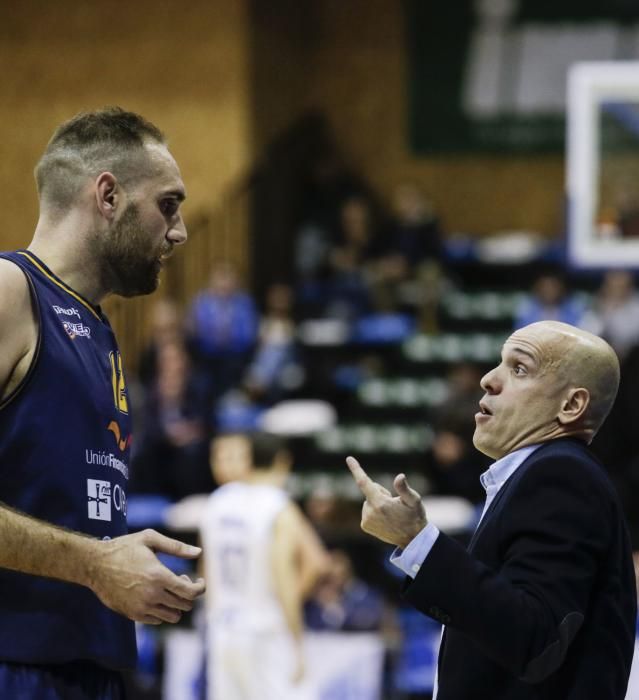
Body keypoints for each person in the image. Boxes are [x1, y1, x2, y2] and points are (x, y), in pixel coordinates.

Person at [0, 108, 205, 698]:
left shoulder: (99, 331)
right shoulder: (13, 292)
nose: (180, 231)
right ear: (108, 195)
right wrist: (94, 564)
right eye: (168, 204)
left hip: (89, 671)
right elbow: (89, 557)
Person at [346, 320, 637, 699]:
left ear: (571, 405)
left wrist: (416, 541)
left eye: (519, 368)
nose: (487, 379)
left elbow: (534, 637)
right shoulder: (543, 474)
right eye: (499, 363)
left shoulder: (561, 475)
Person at [200, 432, 328, 700]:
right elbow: (302, 570)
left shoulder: (217, 501)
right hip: (265, 627)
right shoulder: (278, 506)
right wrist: (296, 638)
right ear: (283, 462)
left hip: (222, 627)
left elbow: (206, 573)